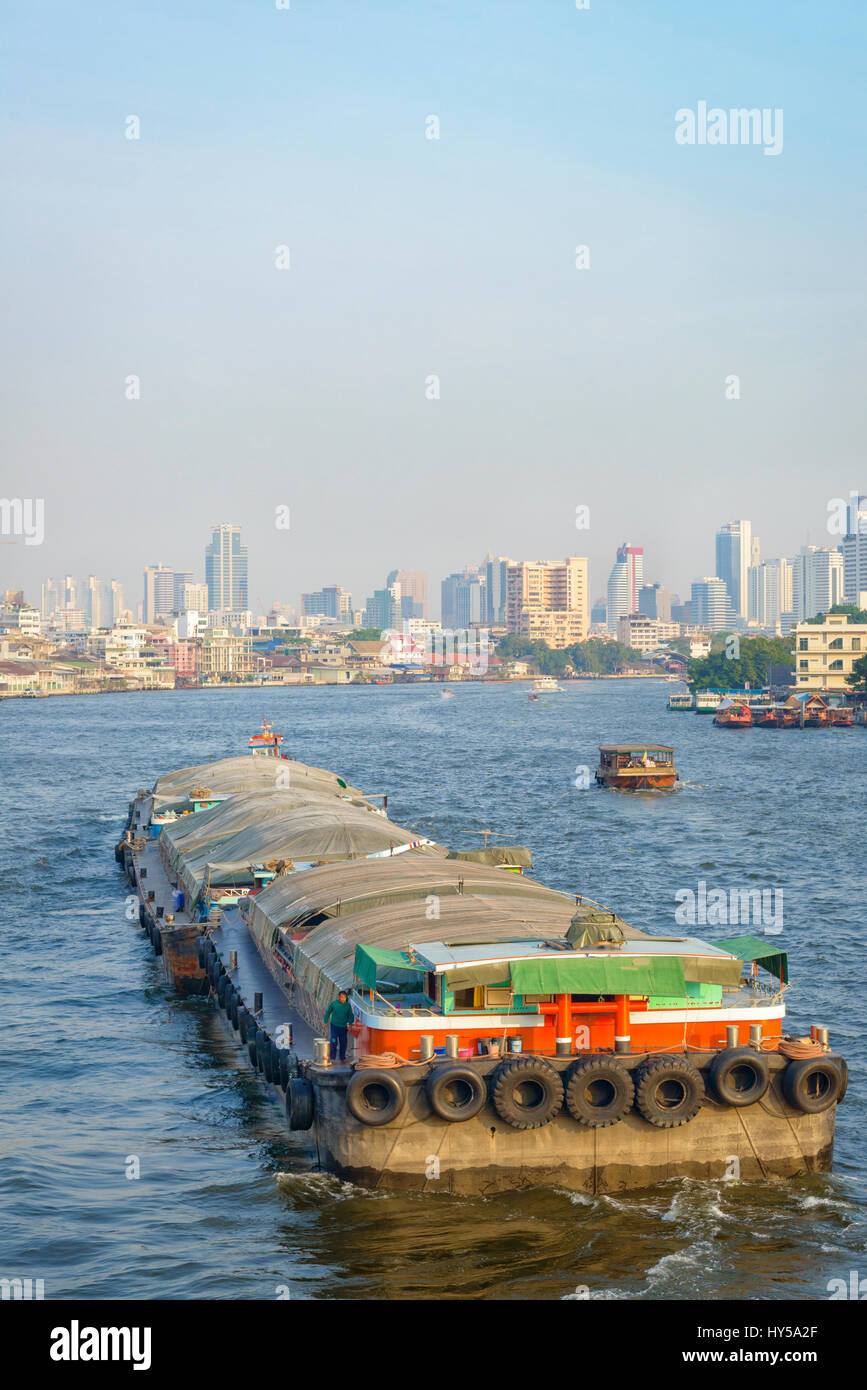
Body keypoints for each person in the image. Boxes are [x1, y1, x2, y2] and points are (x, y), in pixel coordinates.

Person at [324, 990, 353, 1062]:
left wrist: (349, 1023)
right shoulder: (334, 1004)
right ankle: (332, 1057)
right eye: (341, 997)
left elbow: (351, 1016)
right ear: (339, 997)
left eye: (344, 997)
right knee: (333, 1041)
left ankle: (342, 1058)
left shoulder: (348, 1006)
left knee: (343, 1042)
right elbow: (328, 1012)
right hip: (334, 1026)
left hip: (343, 1028)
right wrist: (325, 1021)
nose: (342, 999)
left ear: (346, 998)